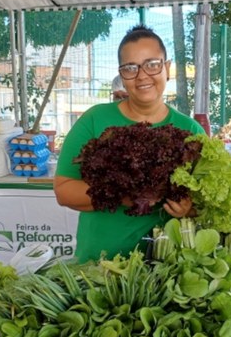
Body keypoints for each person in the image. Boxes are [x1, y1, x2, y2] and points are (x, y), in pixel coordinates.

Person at [54, 25, 205, 262]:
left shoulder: (191, 131)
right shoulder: (95, 120)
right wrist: (124, 195)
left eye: (152, 64)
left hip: (164, 265)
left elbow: (205, 201)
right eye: (130, 68)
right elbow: (64, 190)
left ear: (166, 68)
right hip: (99, 262)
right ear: (121, 75)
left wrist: (189, 210)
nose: (142, 75)